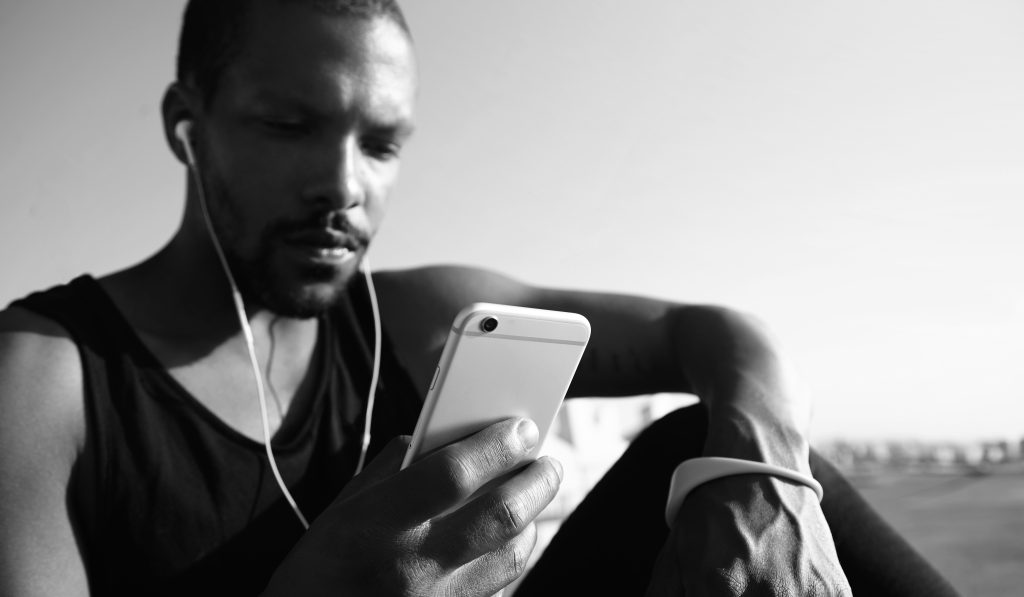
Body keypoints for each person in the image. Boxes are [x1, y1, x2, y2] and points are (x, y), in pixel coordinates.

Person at [0, 1, 960, 596]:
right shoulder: (43, 375)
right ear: (187, 125)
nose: (344, 185)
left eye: (382, 144)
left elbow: (715, 331)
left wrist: (767, 478)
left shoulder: (409, 323)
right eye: (290, 124)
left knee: (705, 446)